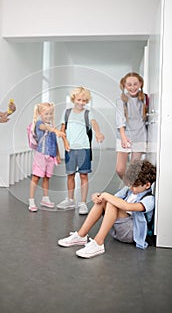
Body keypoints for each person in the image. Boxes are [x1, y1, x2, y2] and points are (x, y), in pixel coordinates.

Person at [58, 159, 156, 258]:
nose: (131, 188)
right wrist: (97, 196)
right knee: (105, 201)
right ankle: (81, 235)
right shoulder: (129, 190)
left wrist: (105, 195)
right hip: (119, 228)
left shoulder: (149, 199)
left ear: (147, 185)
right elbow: (113, 198)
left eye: (134, 186)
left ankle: (98, 243)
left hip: (132, 233)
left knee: (112, 203)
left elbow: (127, 207)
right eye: (130, 184)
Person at [56, 86, 105, 215]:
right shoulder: (67, 113)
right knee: (70, 175)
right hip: (70, 150)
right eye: (79, 99)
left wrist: (99, 133)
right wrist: (65, 143)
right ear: (73, 99)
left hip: (84, 149)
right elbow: (62, 130)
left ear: (87, 101)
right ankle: (70, 199)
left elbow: (94, 123)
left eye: (84, 100)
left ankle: (83, 202)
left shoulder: (88, 113)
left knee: (84, 175)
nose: (81, 102)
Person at [29, 102, 66, 212]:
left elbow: (54, 142)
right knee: (36, 177)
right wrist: (54, 130)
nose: (49, 116)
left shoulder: (52, 126)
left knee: (47, 177)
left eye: (51, 113)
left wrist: (58, 155)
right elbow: (44, 127)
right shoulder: (39, 123)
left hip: (50, 156)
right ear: (40, 114)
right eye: (46, 113)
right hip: (41, 155)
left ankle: (45, 199)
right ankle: (31, 200)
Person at [116, 72, 148, 180]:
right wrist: (123, 137)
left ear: (140, 84)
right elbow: (120, 119)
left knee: (134, 171)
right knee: (120, 169)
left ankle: (130, 190)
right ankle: (129, 187)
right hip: (124, 136)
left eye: (135, 84)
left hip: (140, 136)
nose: (132, 87)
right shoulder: (121, 100)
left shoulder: (145, 99)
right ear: (124, 85)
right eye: (129, 84)